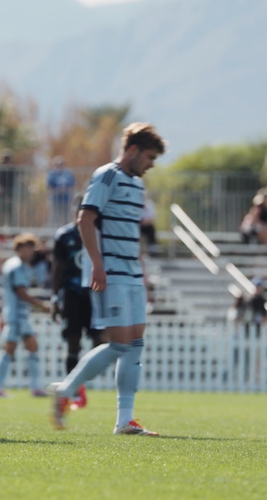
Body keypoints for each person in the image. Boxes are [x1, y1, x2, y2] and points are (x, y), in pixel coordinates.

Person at [49, 122, 165, 436]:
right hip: (111, 273)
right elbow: (85, 220)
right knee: (119, 345)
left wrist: (142, 275)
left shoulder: (137, 185)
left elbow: (132, 233)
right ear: (133, 150)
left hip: (132, 274)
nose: (151, 164)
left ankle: (125, 420)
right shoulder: (107, 175)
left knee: (134, 346)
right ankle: (67, 390)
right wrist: (97, 265)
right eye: (149, 157)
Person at [50, 196, 103, 410]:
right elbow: (57, 268)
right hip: (72, 295)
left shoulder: (101, 234)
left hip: (95, 294)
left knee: (101, 341)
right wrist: (55, 297)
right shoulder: (64, 235)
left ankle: (80, 382)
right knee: (73, 341)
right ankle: (75, 391)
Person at [0, 233, 50, 397]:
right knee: (9, 349)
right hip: (16, 315)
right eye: (27, 248)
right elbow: (21, 292)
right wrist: (41, 305)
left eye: (32, 249)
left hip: (18, 314)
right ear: (19, 249)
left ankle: (34, 387)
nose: (30, 252)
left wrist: (2, 314)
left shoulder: (18, 265)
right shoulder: (16, 266)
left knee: (30, 346)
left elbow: (5, 293)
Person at [46, 156, 76, 228]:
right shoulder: (52, 174)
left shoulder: (68, 173)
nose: (60, 166)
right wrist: (58, 190)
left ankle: (66, 229)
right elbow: (49, 186)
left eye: (61, 164)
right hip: (55, 199)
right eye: (58, 164)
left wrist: (65, 190)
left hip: (66, 199)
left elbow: (72, 184)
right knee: (54, 216)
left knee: (66, 217)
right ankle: (53, 230)